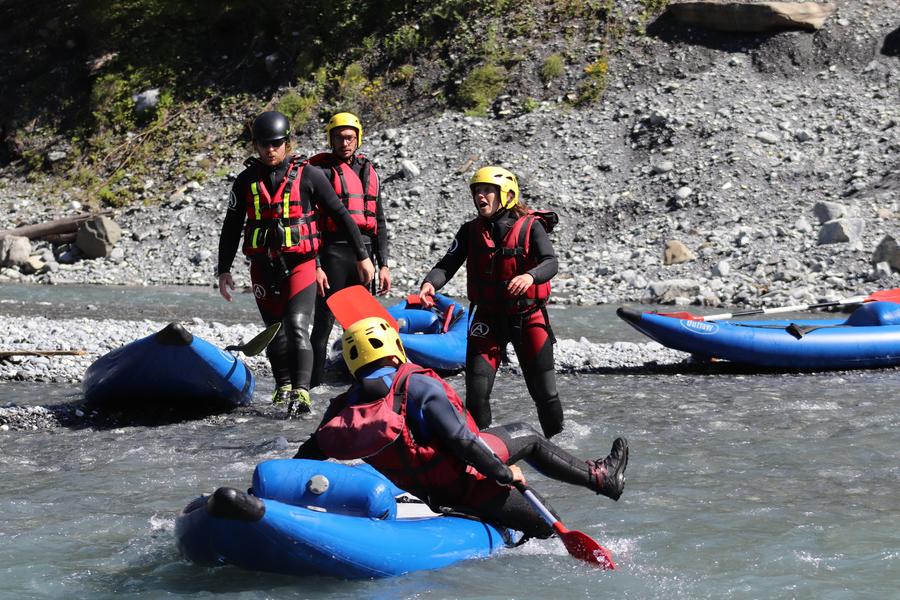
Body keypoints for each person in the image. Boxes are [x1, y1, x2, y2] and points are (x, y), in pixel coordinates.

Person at [293, 316, 628, 539]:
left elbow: (309, 453)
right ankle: (601, 478)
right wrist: (504, 473)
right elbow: (464, 443)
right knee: (542, 510)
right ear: (395, 347)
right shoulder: (417, 385)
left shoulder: (343, 408)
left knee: (512, 442)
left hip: (427, 494)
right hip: (470, 484)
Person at [216, 110, 375, 415]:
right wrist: (224, 270)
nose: (270, 149)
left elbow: (342, 215)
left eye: (276, 143)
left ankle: (302, 392)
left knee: (297, 324)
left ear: (286, 142)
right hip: (263, 266)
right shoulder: (245, 181)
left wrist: (363, 256)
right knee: (274, 329)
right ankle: (283, 385)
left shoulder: (309, 175)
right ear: (256, 145)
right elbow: (232, 226)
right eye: (264, 144)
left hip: (301, 264)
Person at [419, 166, 564, 438]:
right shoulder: (469, 231)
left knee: (544, 392)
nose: (481, 196)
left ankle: (560, 444)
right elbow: (448, 263)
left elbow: (550, 262)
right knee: (476, 393)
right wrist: (430, 283)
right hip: (488, 318)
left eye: (487, 191)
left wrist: (531, 277)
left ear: (506, 195)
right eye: (477, 191)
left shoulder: (531, 227)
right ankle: (481, 448)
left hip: (528, 316)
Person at [307, 112, 391, 388]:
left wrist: (384, 263)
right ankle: (313, 385)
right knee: (324, 322)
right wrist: (316, 265)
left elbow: (378, 221)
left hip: (364, 254)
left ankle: (361, 382)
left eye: (350, 137)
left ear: (358, 139)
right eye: (339, 137)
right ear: (331, 139)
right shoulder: (319, 173)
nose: (345, 142)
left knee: (360, 323)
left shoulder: (369, 170)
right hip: (334, 252)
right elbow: (312, 223)